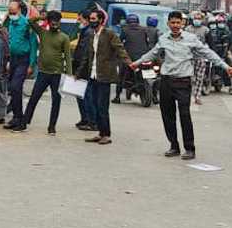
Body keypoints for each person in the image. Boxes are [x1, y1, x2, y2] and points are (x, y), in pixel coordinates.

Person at [135, 10, 232, 160]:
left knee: (185, 115)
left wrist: (226, 66)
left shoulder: (191, 39)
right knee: (168, 116)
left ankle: (189, 148)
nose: (175, 25)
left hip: (183, 82)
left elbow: (208, 53)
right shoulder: (163, 39)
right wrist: (136, 63)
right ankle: (174, 146)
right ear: (168, 24)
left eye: (178, 22)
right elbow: (152, 53)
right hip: (166, 81)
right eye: (172, 22)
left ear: (182, 23)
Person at [75, 8, 132, 146]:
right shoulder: (90, 35)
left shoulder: (109, 34)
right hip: (92, 75)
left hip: (104, 75)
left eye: (94, 19)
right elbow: (87, 57)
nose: (91, 21)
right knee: (94, 104)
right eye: (90, 19)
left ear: (101, 20)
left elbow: (120, 50)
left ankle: (106, 134)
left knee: (102, 106)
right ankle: (100, 133)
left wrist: (130, 63)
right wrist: (79, 73)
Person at [22, 10, 73, 134]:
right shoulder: (42, 32)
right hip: (43, 73)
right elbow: (30, 21)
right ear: (49, 22)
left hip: (57, 74)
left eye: (57, 21)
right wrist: (42, 16)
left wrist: (69, 74)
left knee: (56, 101)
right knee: (34, 98)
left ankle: (52, 127)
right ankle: (24, 123)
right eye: (53, 21)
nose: (55, 23)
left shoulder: (64, 37)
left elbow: (67, 56)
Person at [2, 0, 38, 129]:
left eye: (13, 11)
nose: (11, 13)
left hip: (24, 60)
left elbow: (34, 45)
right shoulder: (10, 22)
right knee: (12, 89)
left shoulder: (27, 24)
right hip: (13, 60)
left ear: (20, 10)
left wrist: (31, 65)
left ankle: (19, 119)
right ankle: (16, 117)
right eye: (9, 11)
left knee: (16, 87)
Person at [115, 13, 155, 104]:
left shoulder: (124, 30)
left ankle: (117, 97)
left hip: (129, 58)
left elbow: (119, 42)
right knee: (154, 74)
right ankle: (155, 96)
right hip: (144, 57)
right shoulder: (144, 29)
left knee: (121, 75)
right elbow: (148, 42)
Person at [185, 11, 210, 105]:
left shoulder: (206, 30)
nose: (197, 20)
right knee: (190, 78)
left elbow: (210, 42)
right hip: (189, 57)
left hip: (201, 57)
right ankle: (188, 95)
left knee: (199, 78)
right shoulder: (187, 29)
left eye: (199, 18)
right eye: (196, 18)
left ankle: (197, 97)